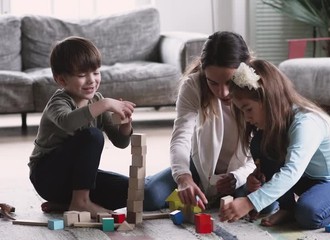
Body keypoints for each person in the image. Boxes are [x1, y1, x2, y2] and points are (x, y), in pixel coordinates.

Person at [219, 59, 330, 229]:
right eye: (242, 111)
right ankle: (287, 208)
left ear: (269, 99)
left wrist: (249, 202)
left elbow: (291, 171)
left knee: (308, 214)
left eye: (248, 109)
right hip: (306, 176)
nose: (247, 118)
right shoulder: (276, 123)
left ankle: (329, 207)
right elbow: (276, 162)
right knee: (260, 143)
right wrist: (258, 173)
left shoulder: (306, 122)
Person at [143, 31, 257, 211]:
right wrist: (183, 178)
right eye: (213, 83)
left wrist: (238, 177)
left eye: (229, 82)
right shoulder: (193, 85)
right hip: (201, 166)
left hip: (243, 171)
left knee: (265, 205)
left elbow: (260, 153)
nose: (223, 93)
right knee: (149, 196)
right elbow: (181, 136)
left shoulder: (257, 89)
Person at [29, 36, 136, 217]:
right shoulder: (58, 102)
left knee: (130, 190)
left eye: (96, 72)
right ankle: (81, 202)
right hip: (47, 177)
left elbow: (120, 142)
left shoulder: (97, 101)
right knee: (92, 136)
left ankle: (66, 203)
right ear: (62, 80)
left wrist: (125, 124)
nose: (91, 80)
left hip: (74, 181)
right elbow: (68, 122)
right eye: (82, 75)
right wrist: (106, 104)